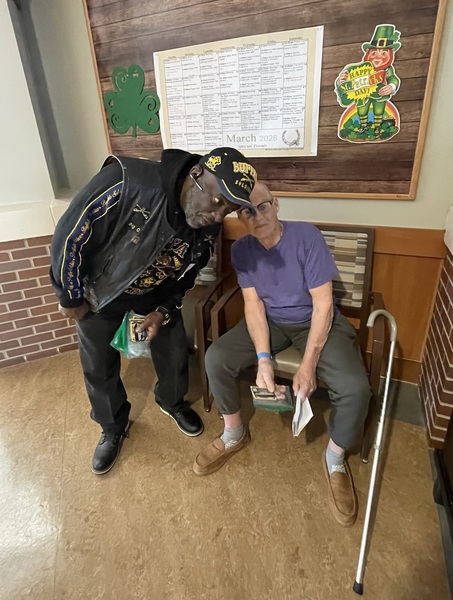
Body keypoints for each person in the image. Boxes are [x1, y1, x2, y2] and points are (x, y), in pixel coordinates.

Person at [50, 147, 257, 475]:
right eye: (217, 201)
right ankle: (112, 425)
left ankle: (171, 401)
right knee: (98, 364)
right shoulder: (127, 182)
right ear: (196, 175)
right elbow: (70, 235)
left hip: (154, 292)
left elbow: (188, 272)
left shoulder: (206, 227)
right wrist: (70, 296)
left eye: (228, 210)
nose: (219, 216)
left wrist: (163, 310)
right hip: (102, 291)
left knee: (173, 349)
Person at [193, 182, 372, 527]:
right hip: (272, 322)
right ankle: (233, 433)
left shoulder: (306, 237)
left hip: (315, 322)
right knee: (217, 357)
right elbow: (253, 306)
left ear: (276, 205)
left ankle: (335, 458)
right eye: (247, 211)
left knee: (355, 388)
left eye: (262, 207)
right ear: (240, 217)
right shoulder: (242, 250)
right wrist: (263, 358)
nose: (257, 216)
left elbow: (323, 305)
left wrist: (308, 365)